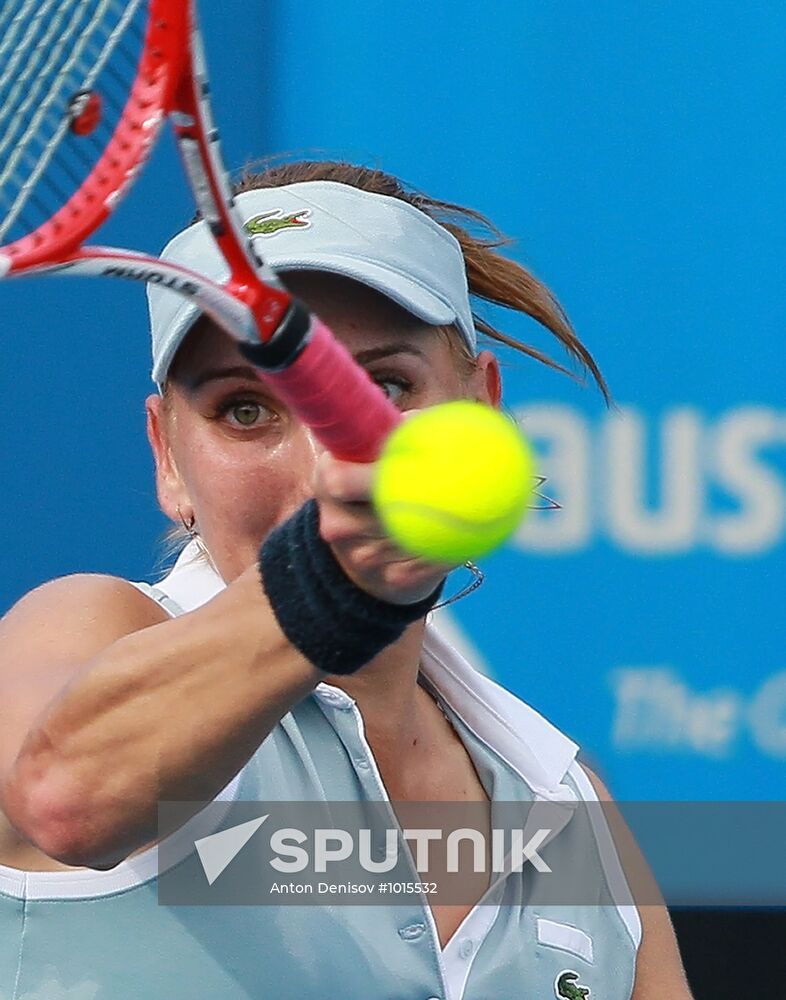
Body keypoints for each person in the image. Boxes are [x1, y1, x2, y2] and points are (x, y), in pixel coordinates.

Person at [0, 161, 692, 999]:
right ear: (167, 459)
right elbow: (65, 798)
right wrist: (320, 583)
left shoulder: (568, 806)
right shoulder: (84, 631)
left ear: (481, 410)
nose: (327, 461)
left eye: (386, 386)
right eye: (245, 410)